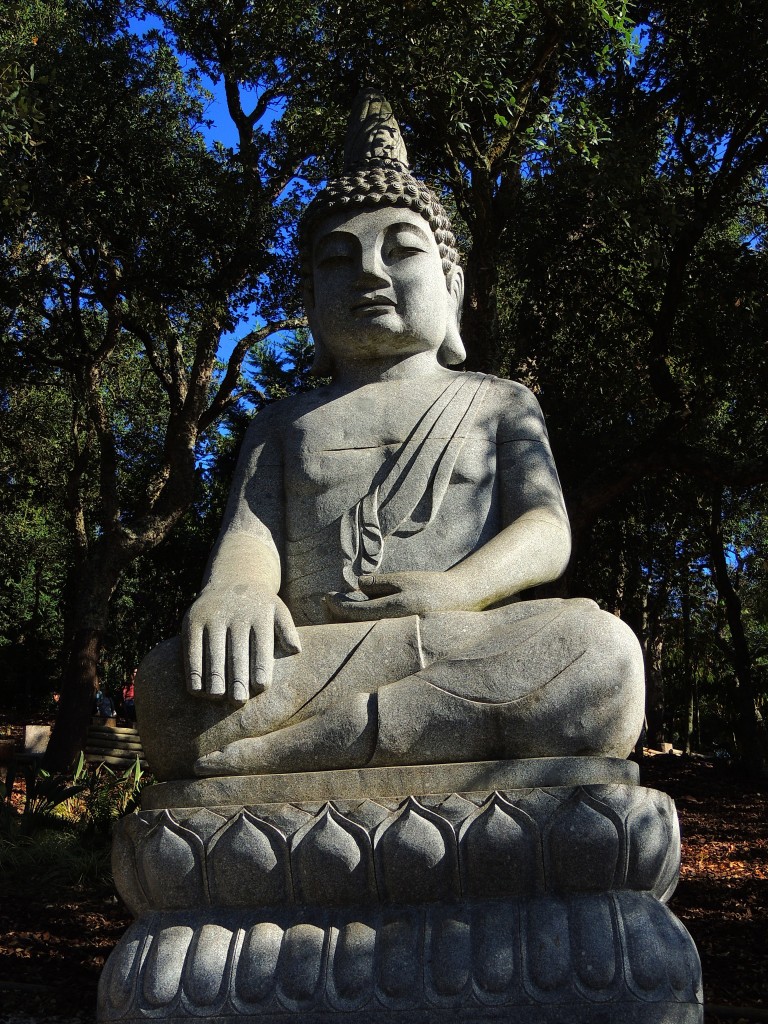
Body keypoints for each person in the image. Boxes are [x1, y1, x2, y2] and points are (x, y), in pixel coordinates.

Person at [135, 92, 644, 781]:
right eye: (338, 259)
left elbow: (547, 532)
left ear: (453, 288)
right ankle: (340, 739)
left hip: (456, 635)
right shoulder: (282, 425)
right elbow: (249, 538)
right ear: (311, 304)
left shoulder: (498, 402)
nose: (370, 271)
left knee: (599, 653)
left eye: (400, 250)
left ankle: (282, 755)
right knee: (169, 688)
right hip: (311, 656)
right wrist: (236, 594)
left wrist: (455, 590)